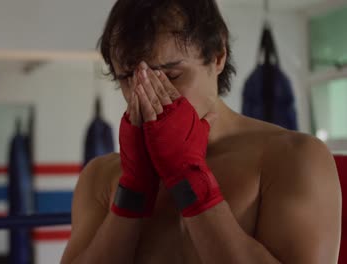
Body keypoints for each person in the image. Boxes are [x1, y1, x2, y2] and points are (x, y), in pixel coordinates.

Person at [61, 0, 342, 263]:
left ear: (218, 55)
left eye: (171, 76)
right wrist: (132, 193)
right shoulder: (101, 176)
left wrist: (190, 181)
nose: (146, 94)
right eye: (127, 78)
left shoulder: (293, 159)